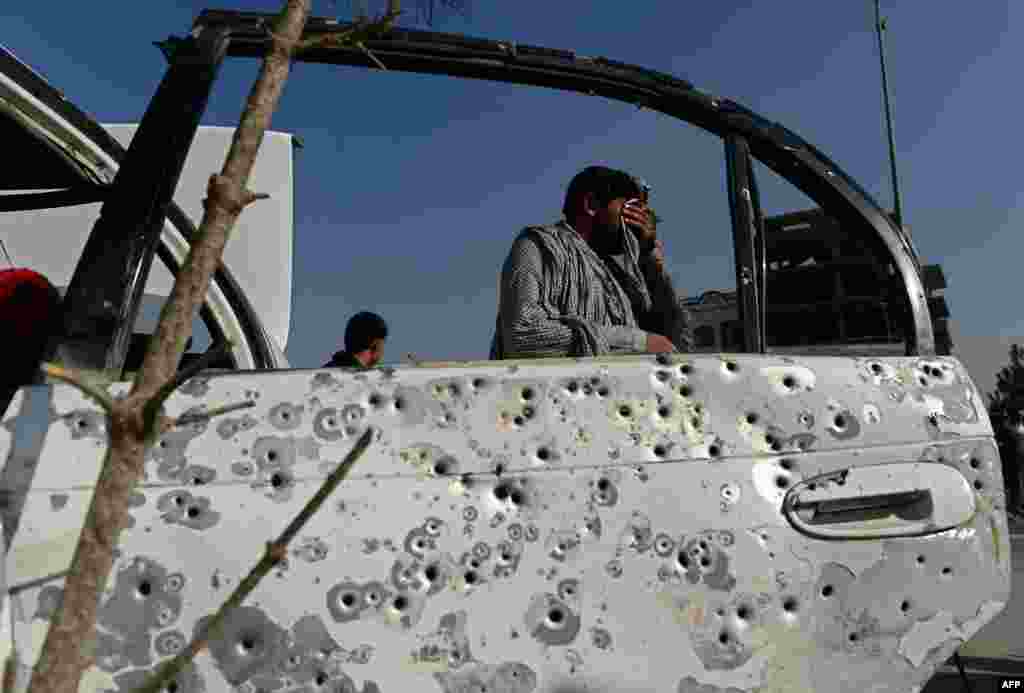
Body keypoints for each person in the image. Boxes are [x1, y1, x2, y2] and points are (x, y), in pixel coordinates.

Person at [490, 166, 692, 359]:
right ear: (592, 205)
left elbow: (674, 342)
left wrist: (650, 262)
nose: (638, 221)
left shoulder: (619, 275)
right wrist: (636, 343)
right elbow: (521, 335)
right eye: (631, 209)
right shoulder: (539, 246)